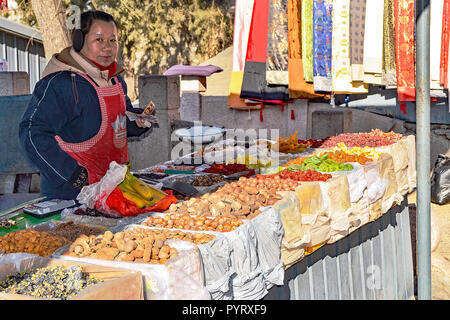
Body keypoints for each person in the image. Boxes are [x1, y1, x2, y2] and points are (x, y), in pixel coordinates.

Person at [19, 10, 154, 200]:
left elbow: (117, 121)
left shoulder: (115, 80)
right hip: (71, 197)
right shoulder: (62, 83)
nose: (108, 48)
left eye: (112, 40)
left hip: (114, 190)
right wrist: (73, 176)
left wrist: (137, 121)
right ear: (79, 42)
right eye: (99, 40)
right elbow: (31, 133)